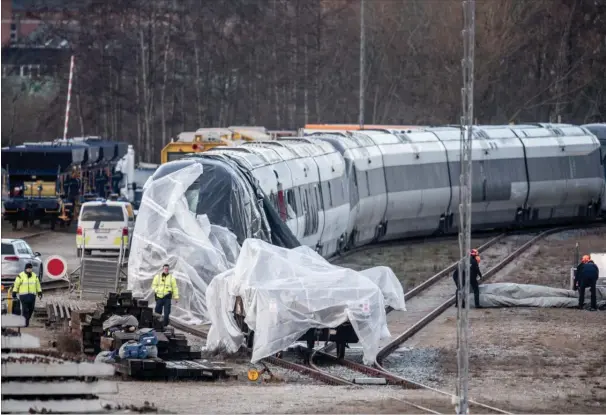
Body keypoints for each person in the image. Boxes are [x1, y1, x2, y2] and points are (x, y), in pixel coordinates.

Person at [12, 263, 42, 327]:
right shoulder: (20, 276)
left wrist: (39, 292)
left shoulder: (35, 276)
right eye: (28, 268)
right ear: (25, 268)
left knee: (31, 309)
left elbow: (38, 285)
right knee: (25, 309)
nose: (29, 270)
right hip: (23, 296)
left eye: (31, 268)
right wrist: (14, 292)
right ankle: (25, 322)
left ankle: (26, 319)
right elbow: (16, 284)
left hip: (32, 295)